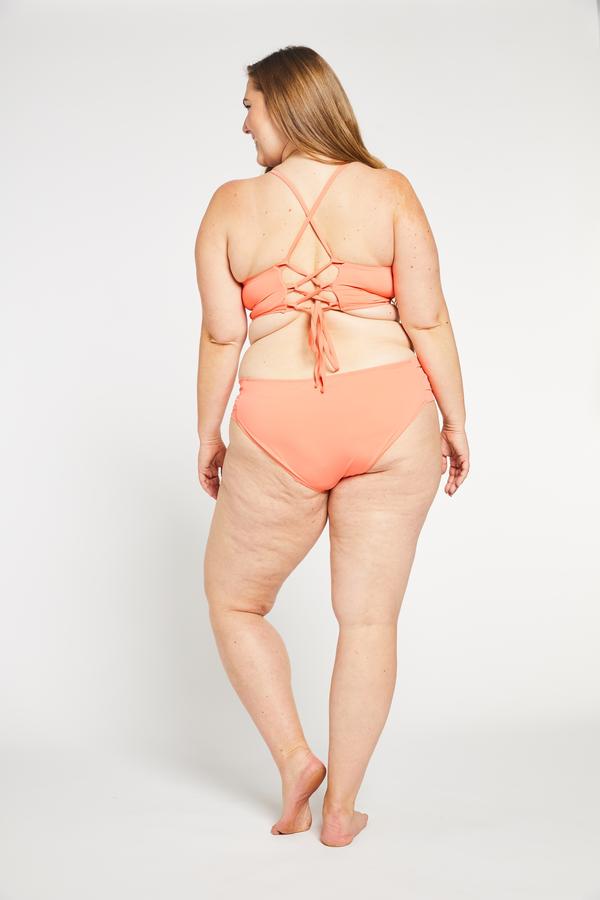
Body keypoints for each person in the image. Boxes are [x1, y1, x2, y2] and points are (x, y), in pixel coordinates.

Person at [194, 46, 469, 848]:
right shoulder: (390, 191)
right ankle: (342, 810)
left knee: (234, 602)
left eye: (249, 106)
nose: (244, 124)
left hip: (278, 424)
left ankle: (295, 761)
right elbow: (427, 318)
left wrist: (208, 432)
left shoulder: (230, 206)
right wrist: (455, 420)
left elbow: (222, 335)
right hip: (391, 415)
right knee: (369, 622)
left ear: (284, 105)